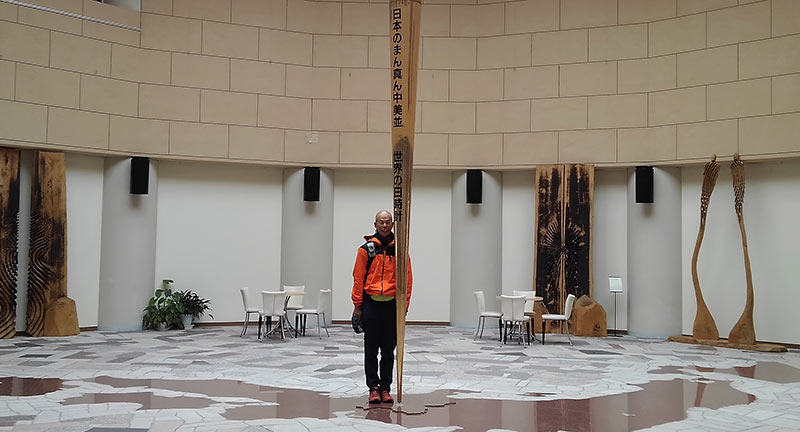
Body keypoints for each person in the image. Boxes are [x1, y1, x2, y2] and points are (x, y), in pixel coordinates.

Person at [351, 210, 413, 405]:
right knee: (370, 349)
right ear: (375, 224)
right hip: (371, 305)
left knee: (388, 350)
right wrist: (358, 305)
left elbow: (407, 280)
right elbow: (358, 278)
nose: (384, 225)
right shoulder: (366, 250)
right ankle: (373, 388)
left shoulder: (400, 251)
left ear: (393, 224)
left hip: (392, 306)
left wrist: (404, 307)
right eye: (381, 222)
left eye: (387, 222)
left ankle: (385, 388)